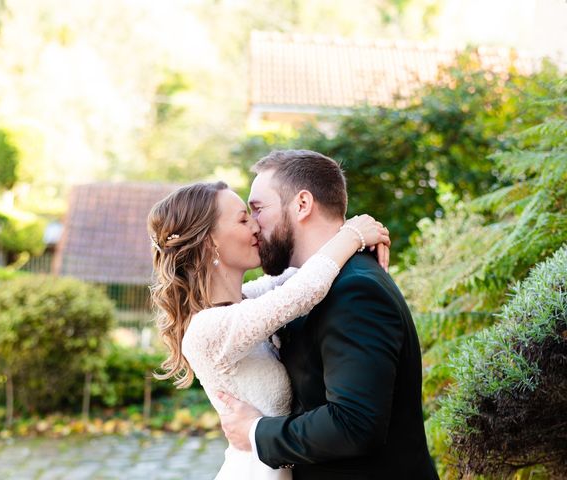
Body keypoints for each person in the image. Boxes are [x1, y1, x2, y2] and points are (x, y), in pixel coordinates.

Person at [218, 150, 439, 479]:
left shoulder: (356, 291)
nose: (253, 225)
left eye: (258, 209)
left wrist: (256, 432)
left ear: (302, 204)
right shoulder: (308, 286)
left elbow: (353, 424)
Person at [147, 179, 391, 479]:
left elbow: (302, 270)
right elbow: (304, 290)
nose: (255, 227)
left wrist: (355, 227)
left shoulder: (248, 299)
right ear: (210, 241)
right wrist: (353, 234)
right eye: (242, 218)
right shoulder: (207, 329)